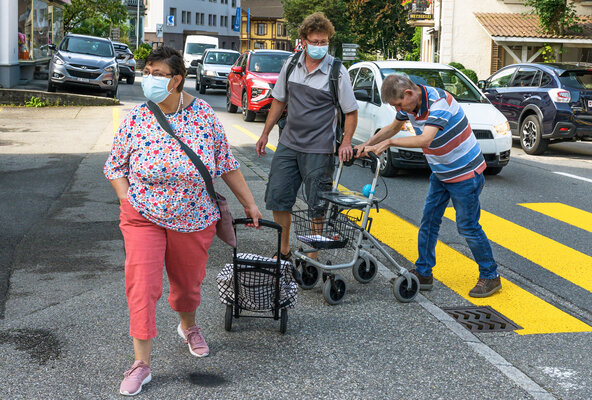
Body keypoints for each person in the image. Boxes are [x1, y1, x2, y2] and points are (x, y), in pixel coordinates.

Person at [104, 46, 262, 396]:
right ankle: (141, 363)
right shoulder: (137, 117)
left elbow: (226, 163)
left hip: (193, 217)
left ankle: (188, 325)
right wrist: (127, 198)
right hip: (142, 215)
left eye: (158, 74)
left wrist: (250, 203)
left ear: (176, 80)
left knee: (188, 284)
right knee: (142, 286)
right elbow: (115, 166)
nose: (150, 79)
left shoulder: (204, 115)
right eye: (148, 71)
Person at [355, 74, 502, 298]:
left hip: (465, 174)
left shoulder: (439, 103)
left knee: (468, 227)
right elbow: (393, 127)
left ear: (409, 93)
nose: (398, 109)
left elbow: (425, 140)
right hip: (441, 172)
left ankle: (490, 276)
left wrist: (389, 143)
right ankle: (424, 273)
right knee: (428, 222)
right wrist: (366, 144)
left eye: (398, 104)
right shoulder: (410, 105)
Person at [255, 12, 358, 260]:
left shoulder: (336, 71)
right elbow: (279, 101)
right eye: (316, 41)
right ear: (303, 40)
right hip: (289, 145)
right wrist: (265, 133)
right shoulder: (291, 65)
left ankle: (313, 256)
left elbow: (351, 112)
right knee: (278, 198)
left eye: (324, 42)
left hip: (320, 149)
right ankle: (284, 250)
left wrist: (345, 142)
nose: (320, 46)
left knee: (317, 204)